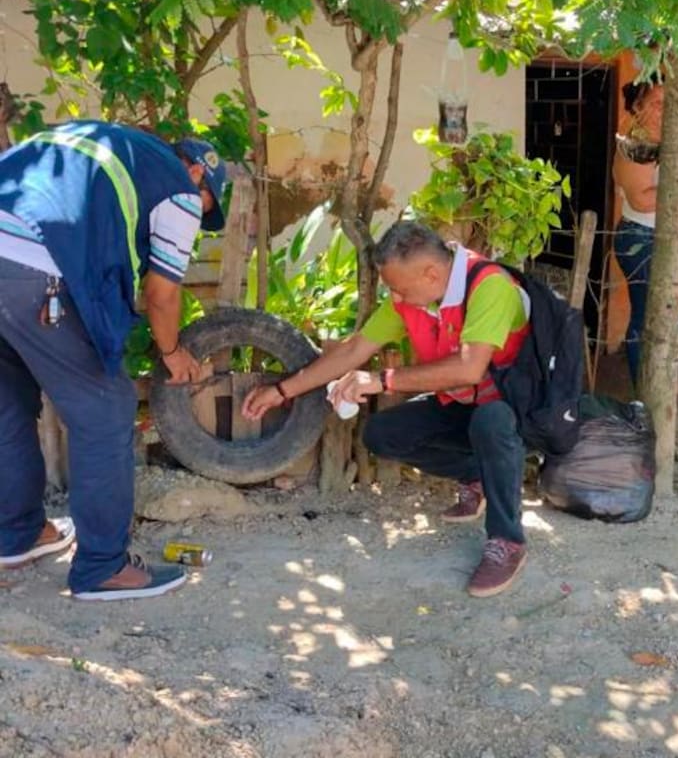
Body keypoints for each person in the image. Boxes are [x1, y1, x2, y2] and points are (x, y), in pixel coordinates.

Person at [242, 223, 537, 598]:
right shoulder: (413, 297)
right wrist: (282, 391)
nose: (395, 297)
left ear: (431, 274)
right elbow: (354, 349)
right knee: (382, 434)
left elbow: (469, 369)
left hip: (515, 412)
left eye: (400, 288)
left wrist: (382, 380)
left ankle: (507, 541)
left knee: (491, 421)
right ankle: (478, 474)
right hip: (463, 405)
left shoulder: (490, 286)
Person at [0, 120, 227, 600]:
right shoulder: (179, 188)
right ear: (197, 174)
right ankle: (103, 568)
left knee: (8, 402)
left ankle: (17, 535)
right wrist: (172, 352)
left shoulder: (95, 139)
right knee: (105, 410)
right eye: (207, 205)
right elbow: (162, 293)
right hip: (32, 269)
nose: (198, 216)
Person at [612, 76, 678, 399]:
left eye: (669, 102)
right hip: (645, 240)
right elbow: (641, 200)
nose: (665, 110)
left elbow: (676, 188)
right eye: (657, 103)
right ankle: (647, 393)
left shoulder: (669, 140)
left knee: (674, 319)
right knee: (650, 319)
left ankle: (664, 382)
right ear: (638, 106)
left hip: (674, 241)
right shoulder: (636, 146)